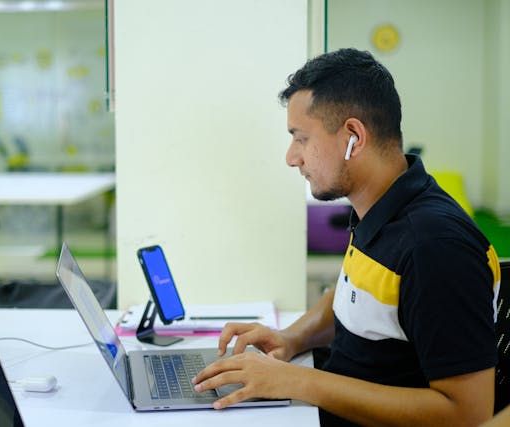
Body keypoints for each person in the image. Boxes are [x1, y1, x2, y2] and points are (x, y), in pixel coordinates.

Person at [191, 48, 501, 426]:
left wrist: (298, 381)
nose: (291, 157)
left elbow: (467, 415)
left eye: (301, 138)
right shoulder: (377, 207)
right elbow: (353, 301)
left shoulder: (434, 247)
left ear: (353, 136)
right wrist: (290, 339)